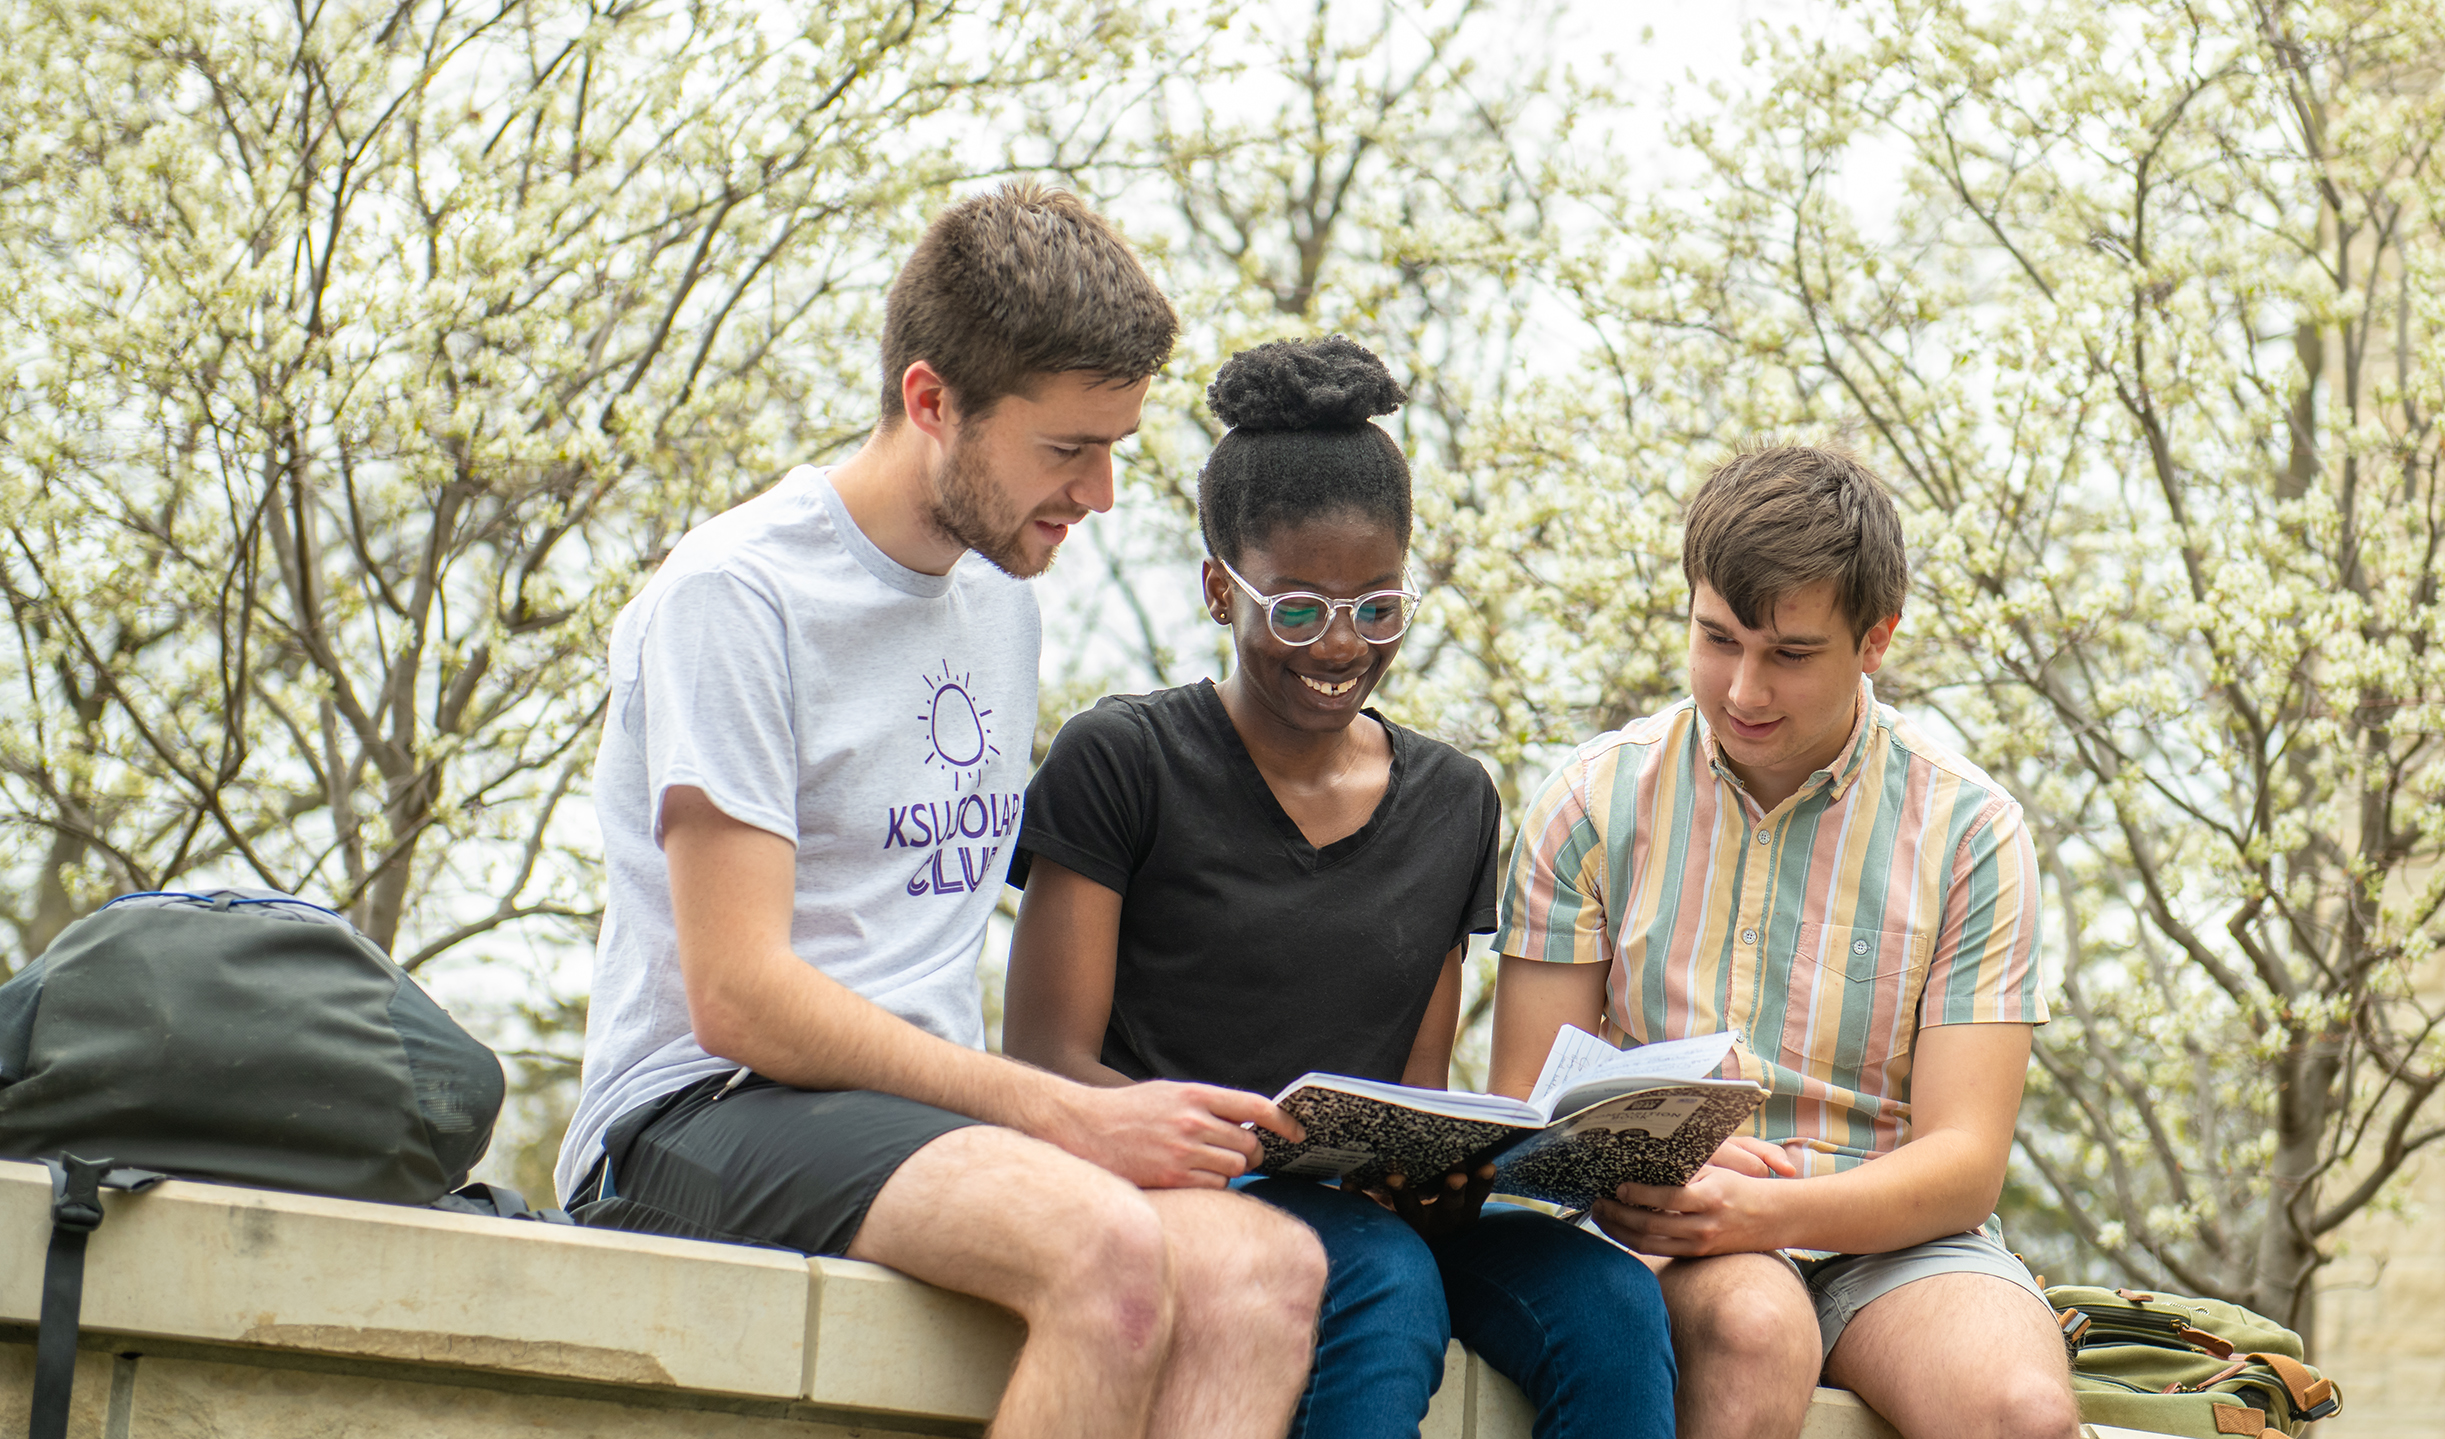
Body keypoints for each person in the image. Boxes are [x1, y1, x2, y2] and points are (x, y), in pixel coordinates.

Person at [553, 185, 1326, 1439]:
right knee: (1111, 1255)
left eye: (1118, 444)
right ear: (932, 403)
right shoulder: (735, 598)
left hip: (919, 1121)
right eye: (1070, 448)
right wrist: (1065, 1109)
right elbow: (738, 995)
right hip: (698, 1113)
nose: (1105, 491)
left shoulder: (1000, 601)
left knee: (1264, 1270)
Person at [1003, 335, 1677, 1439]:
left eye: (1378, 608)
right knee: (1383, 1282)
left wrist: (1461, 1165)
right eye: (1300, 609)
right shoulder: (1124, 759)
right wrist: (1221, 1137)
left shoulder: (1455, 799)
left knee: (1610, 1300)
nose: (1341, 645)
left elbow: (1417, 1085)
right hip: (1186, 1189)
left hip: (1371, 1203)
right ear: (1222, 589)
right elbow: (1041, 1063)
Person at [1489, 444, 2077, 1439]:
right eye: (1717, 639)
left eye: (1790, 654)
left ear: (1875, 641)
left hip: (1890, 1233)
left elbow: (1966, 1161)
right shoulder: (1593, 800)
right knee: (1757, 1329)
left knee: (2022, 1410)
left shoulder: (1971, 831)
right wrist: (1654, 1179)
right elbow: (1522, 1107)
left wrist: (1775, 1210)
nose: (1745, 689)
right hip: (1660, 1217)